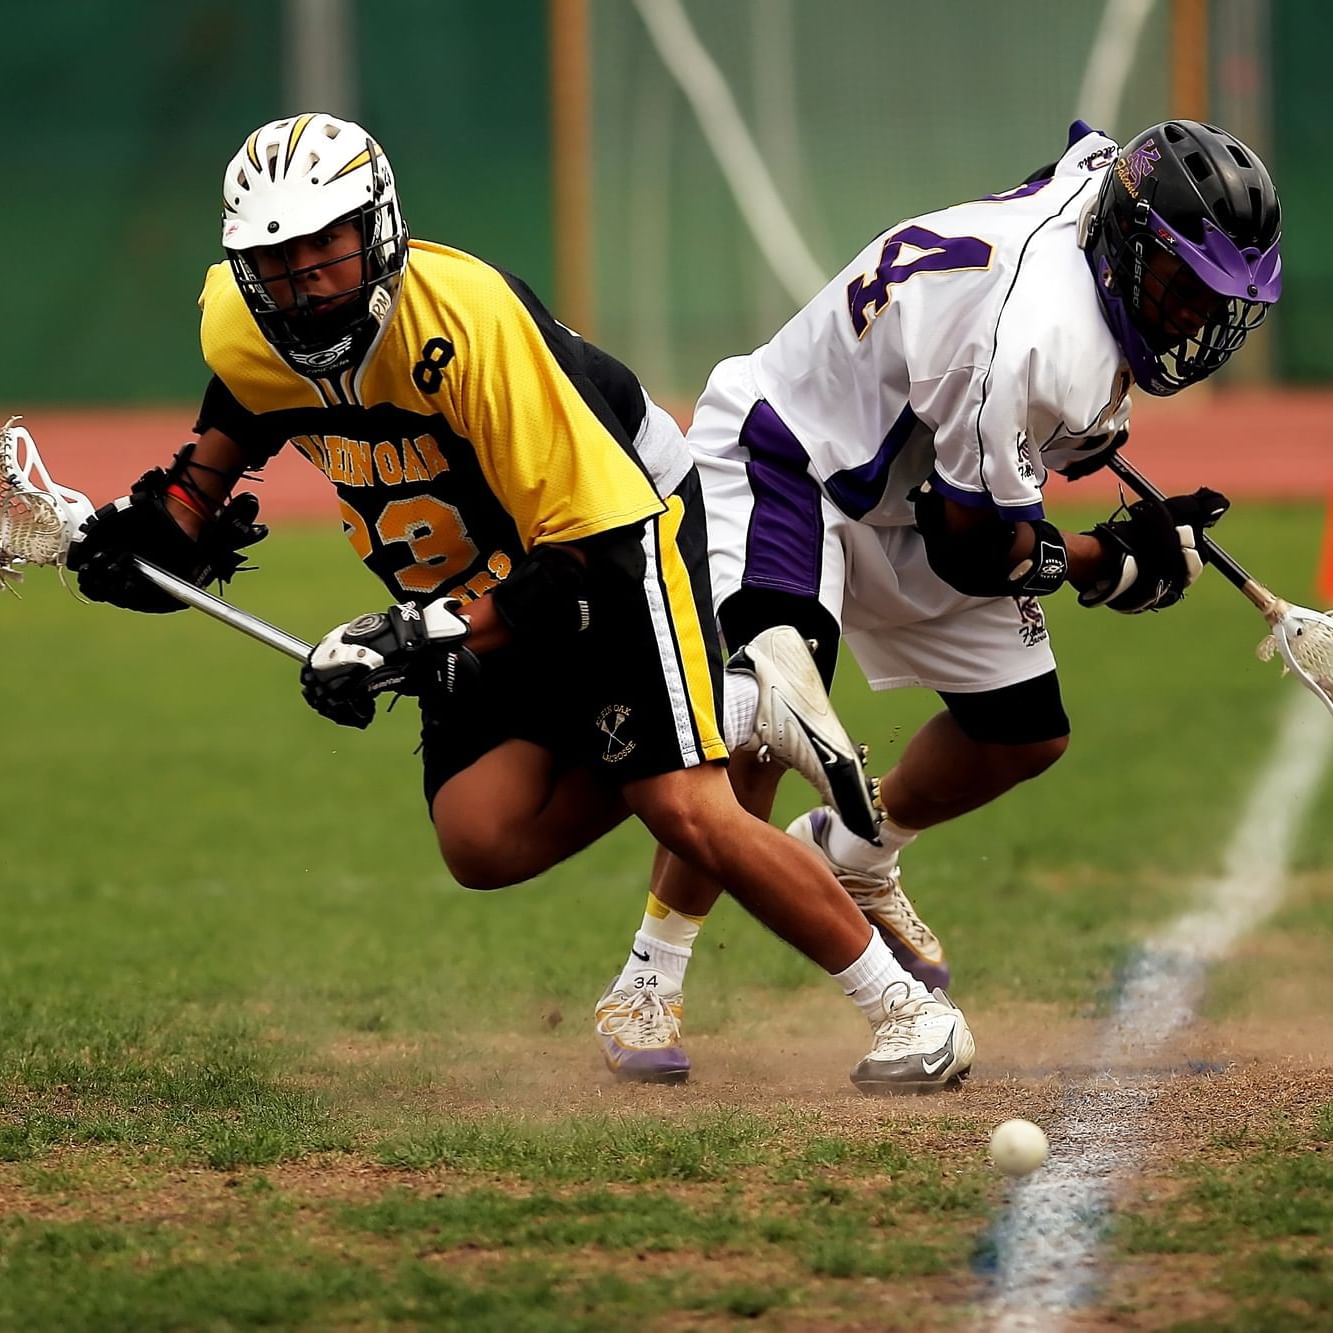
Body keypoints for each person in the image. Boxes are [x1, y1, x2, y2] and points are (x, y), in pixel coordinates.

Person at [67, 113, 975, 1095]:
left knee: (682, 804)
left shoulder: (465, 325)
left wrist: (415, 636)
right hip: (471, 582)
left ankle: (910, 1013)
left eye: (323, 247)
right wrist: (151, 529)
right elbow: (219, 451)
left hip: (622, 531)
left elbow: (585, 552)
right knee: (482, 837)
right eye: (275, 262)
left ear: (375, 229)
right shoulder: (244, 333)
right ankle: (728, 711)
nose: (305, 281)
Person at [594, 118, 1281, 1081]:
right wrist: (1114, 565)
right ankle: (647, 979)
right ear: (1127, 248)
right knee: (759, 732)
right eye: (1178, 290)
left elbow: (1076, 157)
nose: (1189, 323)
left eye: (1212, 301)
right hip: (791, 460)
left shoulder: (1096, 199)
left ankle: (853, 850)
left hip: (907, 485)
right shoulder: (1037, 340)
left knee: (1022, 730)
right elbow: (978, 552)